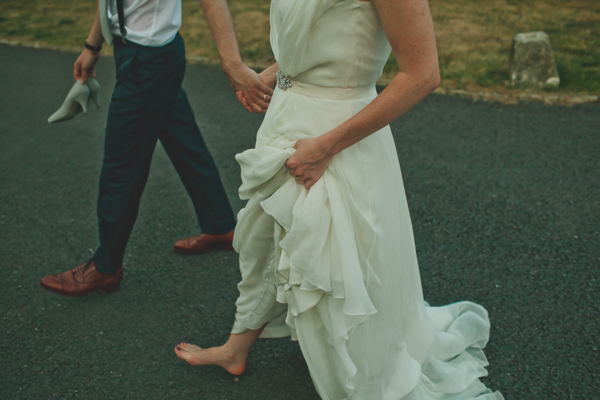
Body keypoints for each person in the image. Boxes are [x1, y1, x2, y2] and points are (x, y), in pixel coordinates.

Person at [174, 0, 504, 399]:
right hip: (285, 121)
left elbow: (422, 74)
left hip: (338, 136)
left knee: (335, 262)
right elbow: (326, 37)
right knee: (264, 235)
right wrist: (279, 73)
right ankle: (236, 348)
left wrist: (327, 146)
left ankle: (361, 376)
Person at [39, 0, 273, 297]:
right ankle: (220, 225)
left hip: (150, 60)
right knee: (184, 141)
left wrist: (233, 65)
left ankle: (105, 266)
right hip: (135, 52)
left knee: (120, 167)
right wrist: (92, 47)